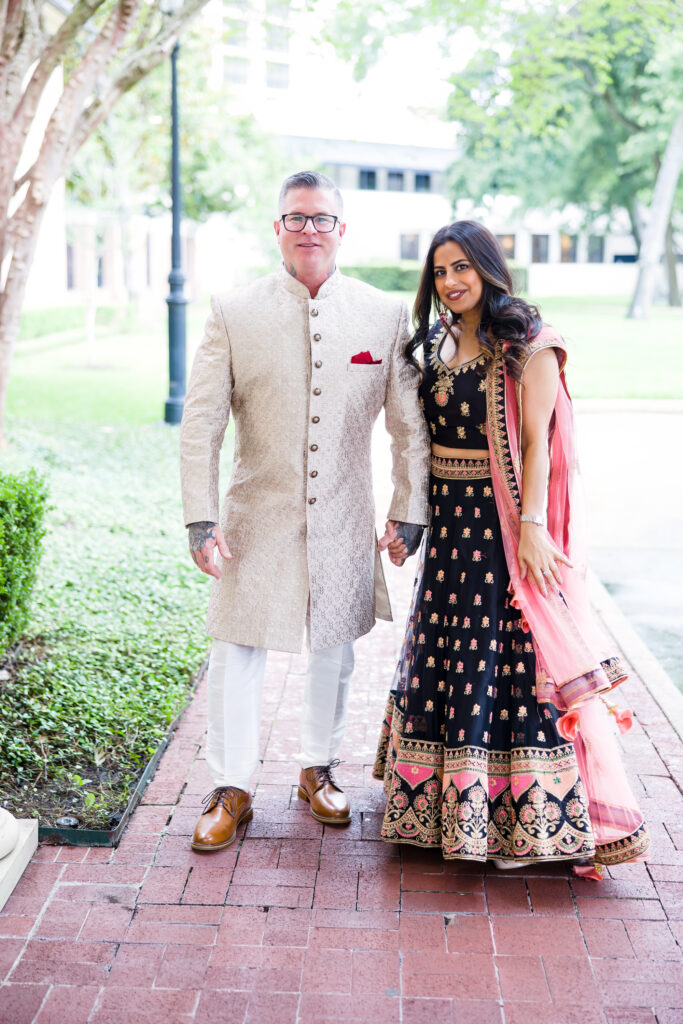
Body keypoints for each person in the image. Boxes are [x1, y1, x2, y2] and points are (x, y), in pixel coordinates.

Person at [375, 221, 649, 876]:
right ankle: (445, 807)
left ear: (489, 268)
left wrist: (530, 527)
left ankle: (522, 815)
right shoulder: (437, 343)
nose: (450, 281)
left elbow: (536, 445)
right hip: (448, 530)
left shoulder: (527, 345)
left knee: (504, 655)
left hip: (500, 532)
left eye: (461, 267)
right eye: (439, 271)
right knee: (445, 650)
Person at [179, 171, 430, 852]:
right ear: (277, 228)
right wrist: (200, 518)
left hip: (345, 513)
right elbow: (201, 423)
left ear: (341, 230)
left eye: (321, 218)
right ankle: (231, 787)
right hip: (254, 514)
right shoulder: (234, 310)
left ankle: (315, 769)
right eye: (296, 218)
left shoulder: (381, 314)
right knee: (237, 648)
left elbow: (407, 425)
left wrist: (409, 508)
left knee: (334, 647)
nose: (309, 229)